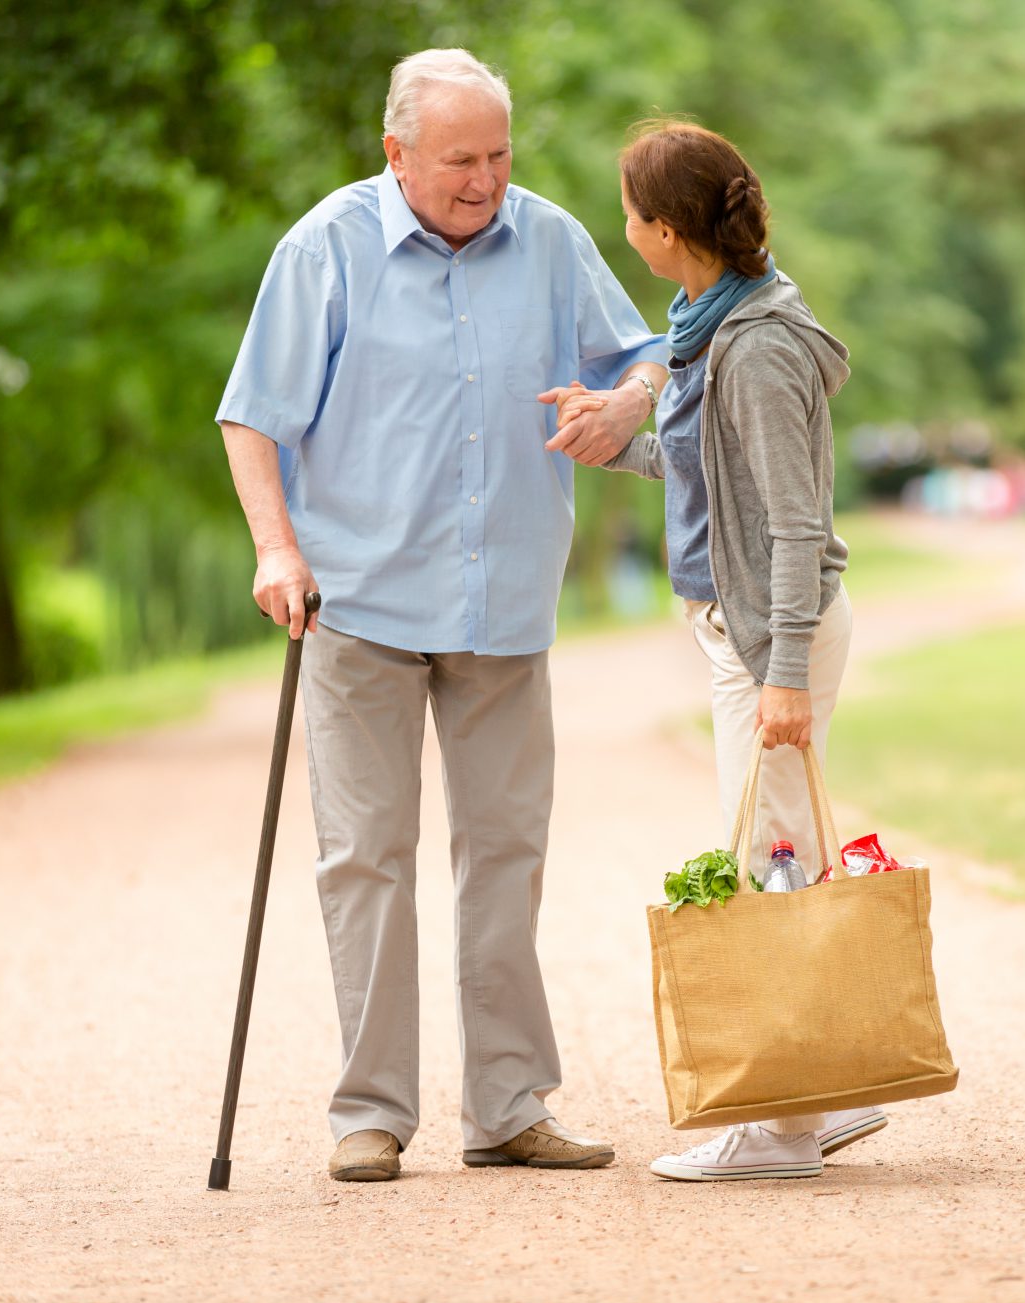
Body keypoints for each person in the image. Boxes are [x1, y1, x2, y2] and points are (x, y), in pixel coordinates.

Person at [216, 48, 669, 1183]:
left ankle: (508, 1106)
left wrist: (623, 407)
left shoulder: (551, 240)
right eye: (459, 159)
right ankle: (369, 1111)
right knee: (365, 857)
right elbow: (251, 415)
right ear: (396, 154)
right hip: (358, 602)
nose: (483, 180)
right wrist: (277, 544)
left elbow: (655, 353)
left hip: (502, 602)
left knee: (504, 855)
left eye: (498, 155)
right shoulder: (324, 247)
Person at [544, 121, 886, 1183]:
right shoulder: (706, 322)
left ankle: (776, 1127)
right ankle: (814, 1100)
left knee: (761, 864)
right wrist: (621, 443)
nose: (624, 230)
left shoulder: (759, 347)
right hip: (743, 635)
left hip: (767, 642)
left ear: (663, 229)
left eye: (628, 213)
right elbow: (714, 482)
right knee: (779, 854)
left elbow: (793, 523)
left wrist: (782, 670)